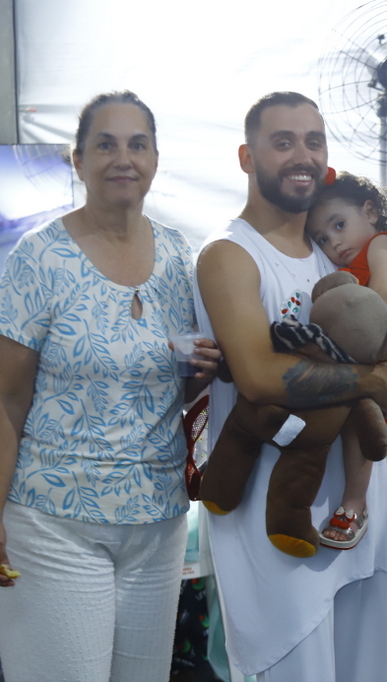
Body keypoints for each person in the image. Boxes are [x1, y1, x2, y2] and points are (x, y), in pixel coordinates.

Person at [194, 91, 387, 682]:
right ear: (247, 157)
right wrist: (373, 379)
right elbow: (258, 377)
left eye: (313, 142)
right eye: (283, 142)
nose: (303, 155)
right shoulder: (229, 254)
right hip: (275, 527)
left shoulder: (335, 258)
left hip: (354, 521)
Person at [0, 91, 221, 681]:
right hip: (54, 521)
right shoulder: (38, 258)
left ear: (155, 159)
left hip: (157, 522)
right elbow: (6, 399)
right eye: (105, 144)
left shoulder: (179, 255)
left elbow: (171, 386)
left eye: (137, 144)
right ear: (78, 160)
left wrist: (202, 369)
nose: (123, 158)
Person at [304, 171, 387, 548]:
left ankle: (354, 503)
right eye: (322, 238)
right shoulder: (348, 266)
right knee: (350, 412)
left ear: (370, 212)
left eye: (339, 225)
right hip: (382, 346)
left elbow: (379, 299)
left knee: (357, 406)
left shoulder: (382, 245)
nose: (334, 242)